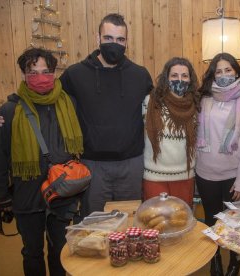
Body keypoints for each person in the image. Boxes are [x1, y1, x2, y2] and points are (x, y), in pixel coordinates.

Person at [0, 48, 84, 276]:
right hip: (27, 196)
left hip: (61, 193)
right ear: (23, 74)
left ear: (54, 72)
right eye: (33, 72)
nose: (40, 77)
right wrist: (1, 197)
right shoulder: (9, 110)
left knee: (60, 250)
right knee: (32, 252)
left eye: (46, 71)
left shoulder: (68, 103)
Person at [55, 14, 153, 216]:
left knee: (129, 223)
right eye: (108, 38)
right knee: (95, 225)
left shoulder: (140, 75)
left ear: (127, 42)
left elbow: (162, 105)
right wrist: (10, 106)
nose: (114, 44)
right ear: (97, 38)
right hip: (92, 165)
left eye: (120, 39)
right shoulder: (75, 74)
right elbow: (48, 98)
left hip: (131, 164)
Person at [196, 52, 240, 276]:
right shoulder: (204, 98)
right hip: (205, 173)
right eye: (218, 71)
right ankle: (215, 261)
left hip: (234, 175)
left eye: (228, 70)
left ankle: (235, 261)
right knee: (211, 221)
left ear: (237, 72)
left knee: (234, 224)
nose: (223, 75)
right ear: (213, 74)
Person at [142, 57, 200, 206]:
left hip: (185, 176)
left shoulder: (196, 105)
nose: (179, 80)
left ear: (190, 79)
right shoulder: (150, 102)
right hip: (155, 177)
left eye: (184, 76)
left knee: (181, 222)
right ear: (166, 78)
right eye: (174, 75)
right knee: (155, 223)